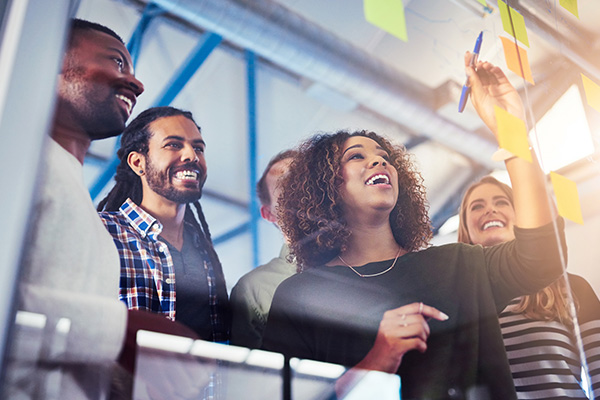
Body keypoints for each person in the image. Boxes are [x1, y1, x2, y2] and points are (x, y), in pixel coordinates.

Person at [261, 58, 567, 398]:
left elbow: (543, 255)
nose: (379, 161)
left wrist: (511, 131)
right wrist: (378, 359)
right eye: (356, 156)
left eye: (383, 156)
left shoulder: (461, 265)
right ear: (325, 186)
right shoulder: (299, 297)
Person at [7, 19, 197, 400]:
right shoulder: (14, 165)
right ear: (48, 61)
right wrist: (120, 330)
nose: (137, 84)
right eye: (116, 62)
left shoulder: (74, 197)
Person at [458, 176, 600, 398]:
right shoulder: (455, 300)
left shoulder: (573, 287)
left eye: (502, 202)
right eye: (477, 206)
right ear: (465, 229)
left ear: (520, 215)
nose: (490, 210)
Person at [97, 106, 230, 343]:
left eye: (198, 148)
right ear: (138, 162)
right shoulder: (101, 233)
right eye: (173, 144)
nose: (192, 155)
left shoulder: (205, 252)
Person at [230, 150, 298, 349]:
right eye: (283, 184)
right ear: (268, 214)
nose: (296, 187)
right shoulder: (252, 290)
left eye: (303, 177)